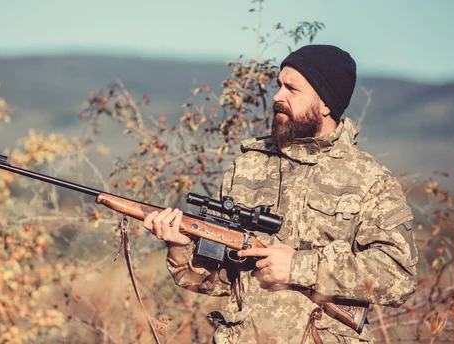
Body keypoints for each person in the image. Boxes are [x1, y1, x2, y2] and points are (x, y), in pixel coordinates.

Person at [142, 44, 418, 344]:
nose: (277, 96)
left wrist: (299, 267)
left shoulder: (370, 180)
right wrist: (180, 246)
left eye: (292, 88)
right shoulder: (248, 166)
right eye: (278, 85)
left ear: (325, 103)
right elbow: (218, 281)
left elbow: (398, 277)